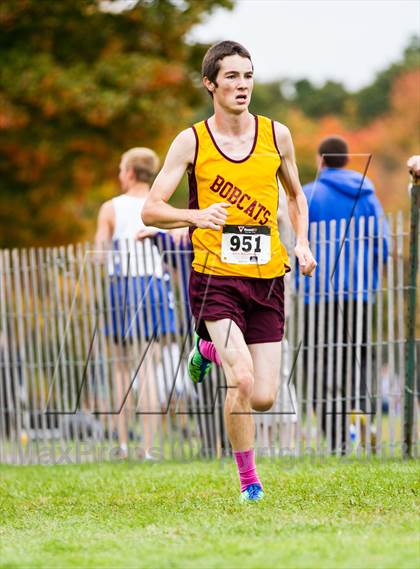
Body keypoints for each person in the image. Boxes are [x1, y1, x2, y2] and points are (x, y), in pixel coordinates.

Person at [142, 41, 316, 501]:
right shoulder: (191, 141)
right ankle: (250, 483)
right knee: (240, 378)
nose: (243, 85)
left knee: (262, 396)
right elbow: (151, 209)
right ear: (210, 83)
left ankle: (207, 350)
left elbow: (297, 195)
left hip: (266, 276)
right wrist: (195, 216)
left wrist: (301, 242)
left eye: (249, 75)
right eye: (233, 77)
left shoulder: (277, 135)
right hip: (214, 274)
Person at [300, 136, 388, 453]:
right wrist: (371, 277)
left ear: (321, 159)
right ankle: (363, 414)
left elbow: (298, 242)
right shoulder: (367, 194)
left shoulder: (309, 195)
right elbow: (383, 243)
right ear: (347, 159)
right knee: (360, 355)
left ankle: (336, 436)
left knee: (320, 360)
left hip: (318, 294)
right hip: (360, 293)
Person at [95, 147, 181, 460]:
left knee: (120, 367)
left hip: (123, 285)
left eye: (121, 169)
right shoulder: (162, 207)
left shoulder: (111, 208)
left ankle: (121, 444)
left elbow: (100, 256)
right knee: (149, 367)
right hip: (156, 285)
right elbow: (173, 260)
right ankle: (150, 447)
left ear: (130, 172)